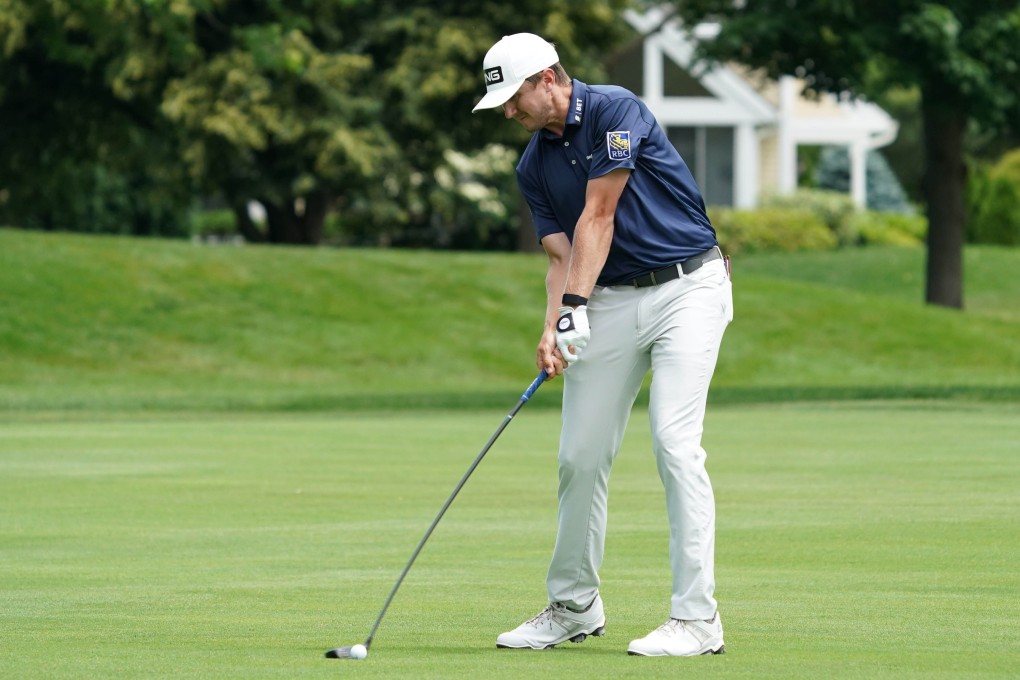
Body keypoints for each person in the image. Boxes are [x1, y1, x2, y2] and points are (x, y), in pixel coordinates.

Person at [471, 33, 733, 657]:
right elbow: (561, 255)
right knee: (579, 456)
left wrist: (574, 309)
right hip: (607, 299)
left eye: (514, 98)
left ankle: (697, 619)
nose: (510, 113)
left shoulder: (617, 110)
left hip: (687, 288)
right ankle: (573, 605)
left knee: (674, 443)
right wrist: (552, 326)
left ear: (549, 78)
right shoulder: (532, 165)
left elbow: (600, 214)